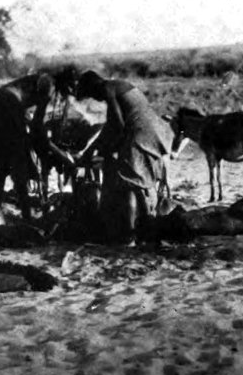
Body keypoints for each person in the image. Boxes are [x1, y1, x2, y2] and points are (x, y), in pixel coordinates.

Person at [74, 70, 173, 245]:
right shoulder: (118, 85)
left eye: (92, 95)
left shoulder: (107, 88)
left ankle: (129, 236)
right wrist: (92, 149)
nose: (97, 99)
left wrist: (106, 151)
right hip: (154, 130)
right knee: (141, 183)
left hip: (140, 132)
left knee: (128, 184)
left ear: (94, 86)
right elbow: (110, 125)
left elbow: (118, 126)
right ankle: (147, 229)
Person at [0, 67, 78, 220]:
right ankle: (26, 215)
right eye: (70, 88)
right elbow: (37, 125)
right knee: (18, 160)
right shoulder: (49, 84)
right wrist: (53, 150)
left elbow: (30, 117)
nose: (69, 92)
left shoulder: (39, 81)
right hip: (8, 101)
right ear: (64, 82)